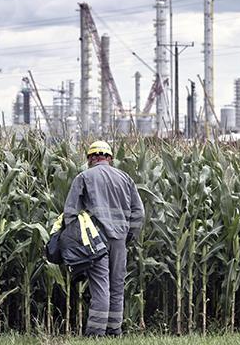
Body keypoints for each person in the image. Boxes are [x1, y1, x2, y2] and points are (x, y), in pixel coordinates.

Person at [63, 140, 144, 337]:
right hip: (119, 240)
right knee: (117, 285)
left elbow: (70, 213)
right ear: (109, 158)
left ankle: (95, 333)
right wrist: (128, 235)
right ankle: (114, 330)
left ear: (91, 158)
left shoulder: (84, 177)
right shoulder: (125, 178)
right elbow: (139, 212)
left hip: (95, 240)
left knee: (101, 286)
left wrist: (75, 242)